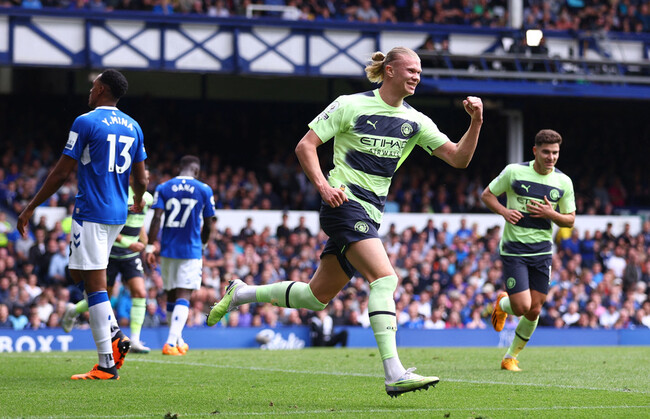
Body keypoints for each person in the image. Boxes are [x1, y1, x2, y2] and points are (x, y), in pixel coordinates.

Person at [207, 46, 483, 396]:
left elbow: (459, 159)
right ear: (390, 71)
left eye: (420, 71)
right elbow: (305, 146)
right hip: (343, 203)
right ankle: (394, 372)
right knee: (385, 279)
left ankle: (242, 293)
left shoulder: (417, 121)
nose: (417, 76)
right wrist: (323, 186)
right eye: (411, 69)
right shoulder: (349, 104)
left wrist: (476, 122)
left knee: (315, 297)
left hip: (371, 213)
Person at [17, 69, 147, 380]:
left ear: (101, 89)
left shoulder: (85, 121)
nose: (90, 90)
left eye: (92, 86)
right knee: (78, 272)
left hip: (91, 210)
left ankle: (106, 362)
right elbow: (142, 178)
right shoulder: (133, 125)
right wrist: (139, 201)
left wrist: (31, 207)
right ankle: (116, 333)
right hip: (118, 213)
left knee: (93, 283)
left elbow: (62, 173)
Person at [481, 129, 575, 372]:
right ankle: (503, 303)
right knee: (521, 306)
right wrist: (503, 211)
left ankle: (510, 357)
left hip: (542, 252)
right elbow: (487, 195)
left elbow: (570, 220)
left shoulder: (563, 182)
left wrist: (550, 214)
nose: (551, 157)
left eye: (555, 152)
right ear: (535, 151)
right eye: (546, 152)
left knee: (535, 309)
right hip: (514, 250)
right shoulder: (514, 171)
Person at [62, 171, 154, 354]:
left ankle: (135, 339)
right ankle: (73, 311)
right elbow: (108, 225)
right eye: (142, 177)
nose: (146, 181)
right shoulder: (119, 195)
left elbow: (140, 221)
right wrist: (129, 242)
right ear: (131, 178)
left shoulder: (148, 198)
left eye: (148, 178)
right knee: (103, 298)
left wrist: (147, 245)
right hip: (111, 252)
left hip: (131, 255)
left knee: (140, 292)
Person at [145, 155, 216, 356]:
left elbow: (156, 218)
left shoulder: (163, 187)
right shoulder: (204, 189)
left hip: (168, 249)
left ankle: (177, 339)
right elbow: (209, 222)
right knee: (184, 295)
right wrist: (203, 243)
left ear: (180, 168)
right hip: (190, 250)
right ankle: (169, 343)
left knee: (171, 293)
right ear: (196, 170)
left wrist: (150, 247)